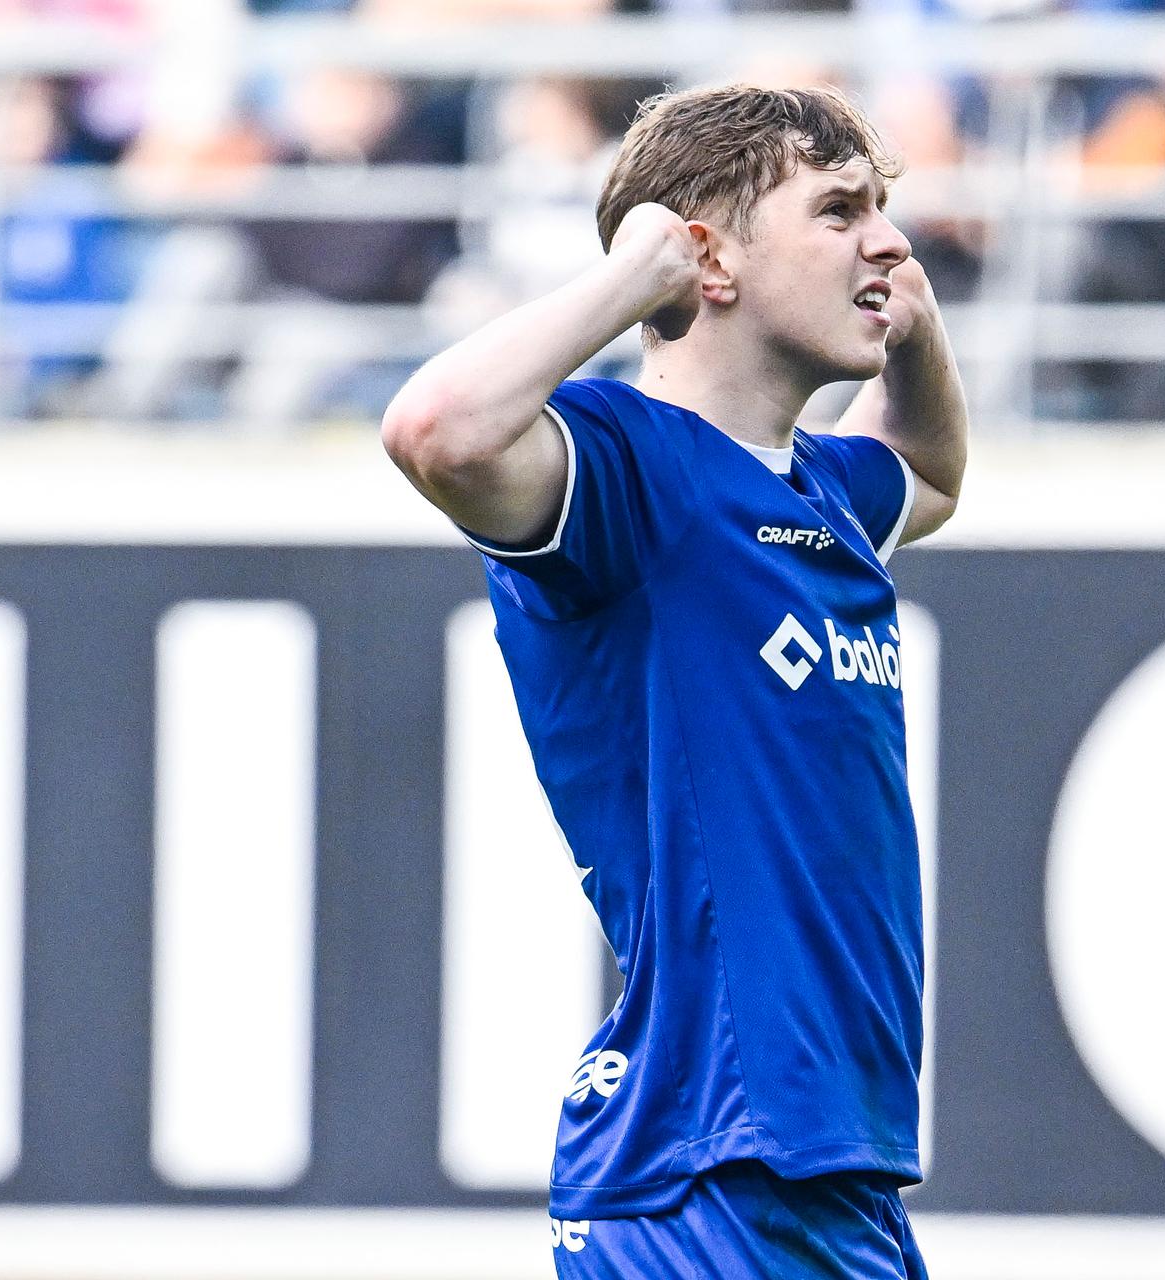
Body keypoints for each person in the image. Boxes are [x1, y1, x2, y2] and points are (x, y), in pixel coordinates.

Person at [381, 84, 965, 1277]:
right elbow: (436, 428)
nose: (887, 238)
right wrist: (628, 279)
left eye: (884, 211)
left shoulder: (820, 494)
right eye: (839, 210)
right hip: (709, 1163)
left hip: (823, 1171)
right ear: (708, 259)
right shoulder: (628, 469)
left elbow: (931, 471)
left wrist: (913, 320)